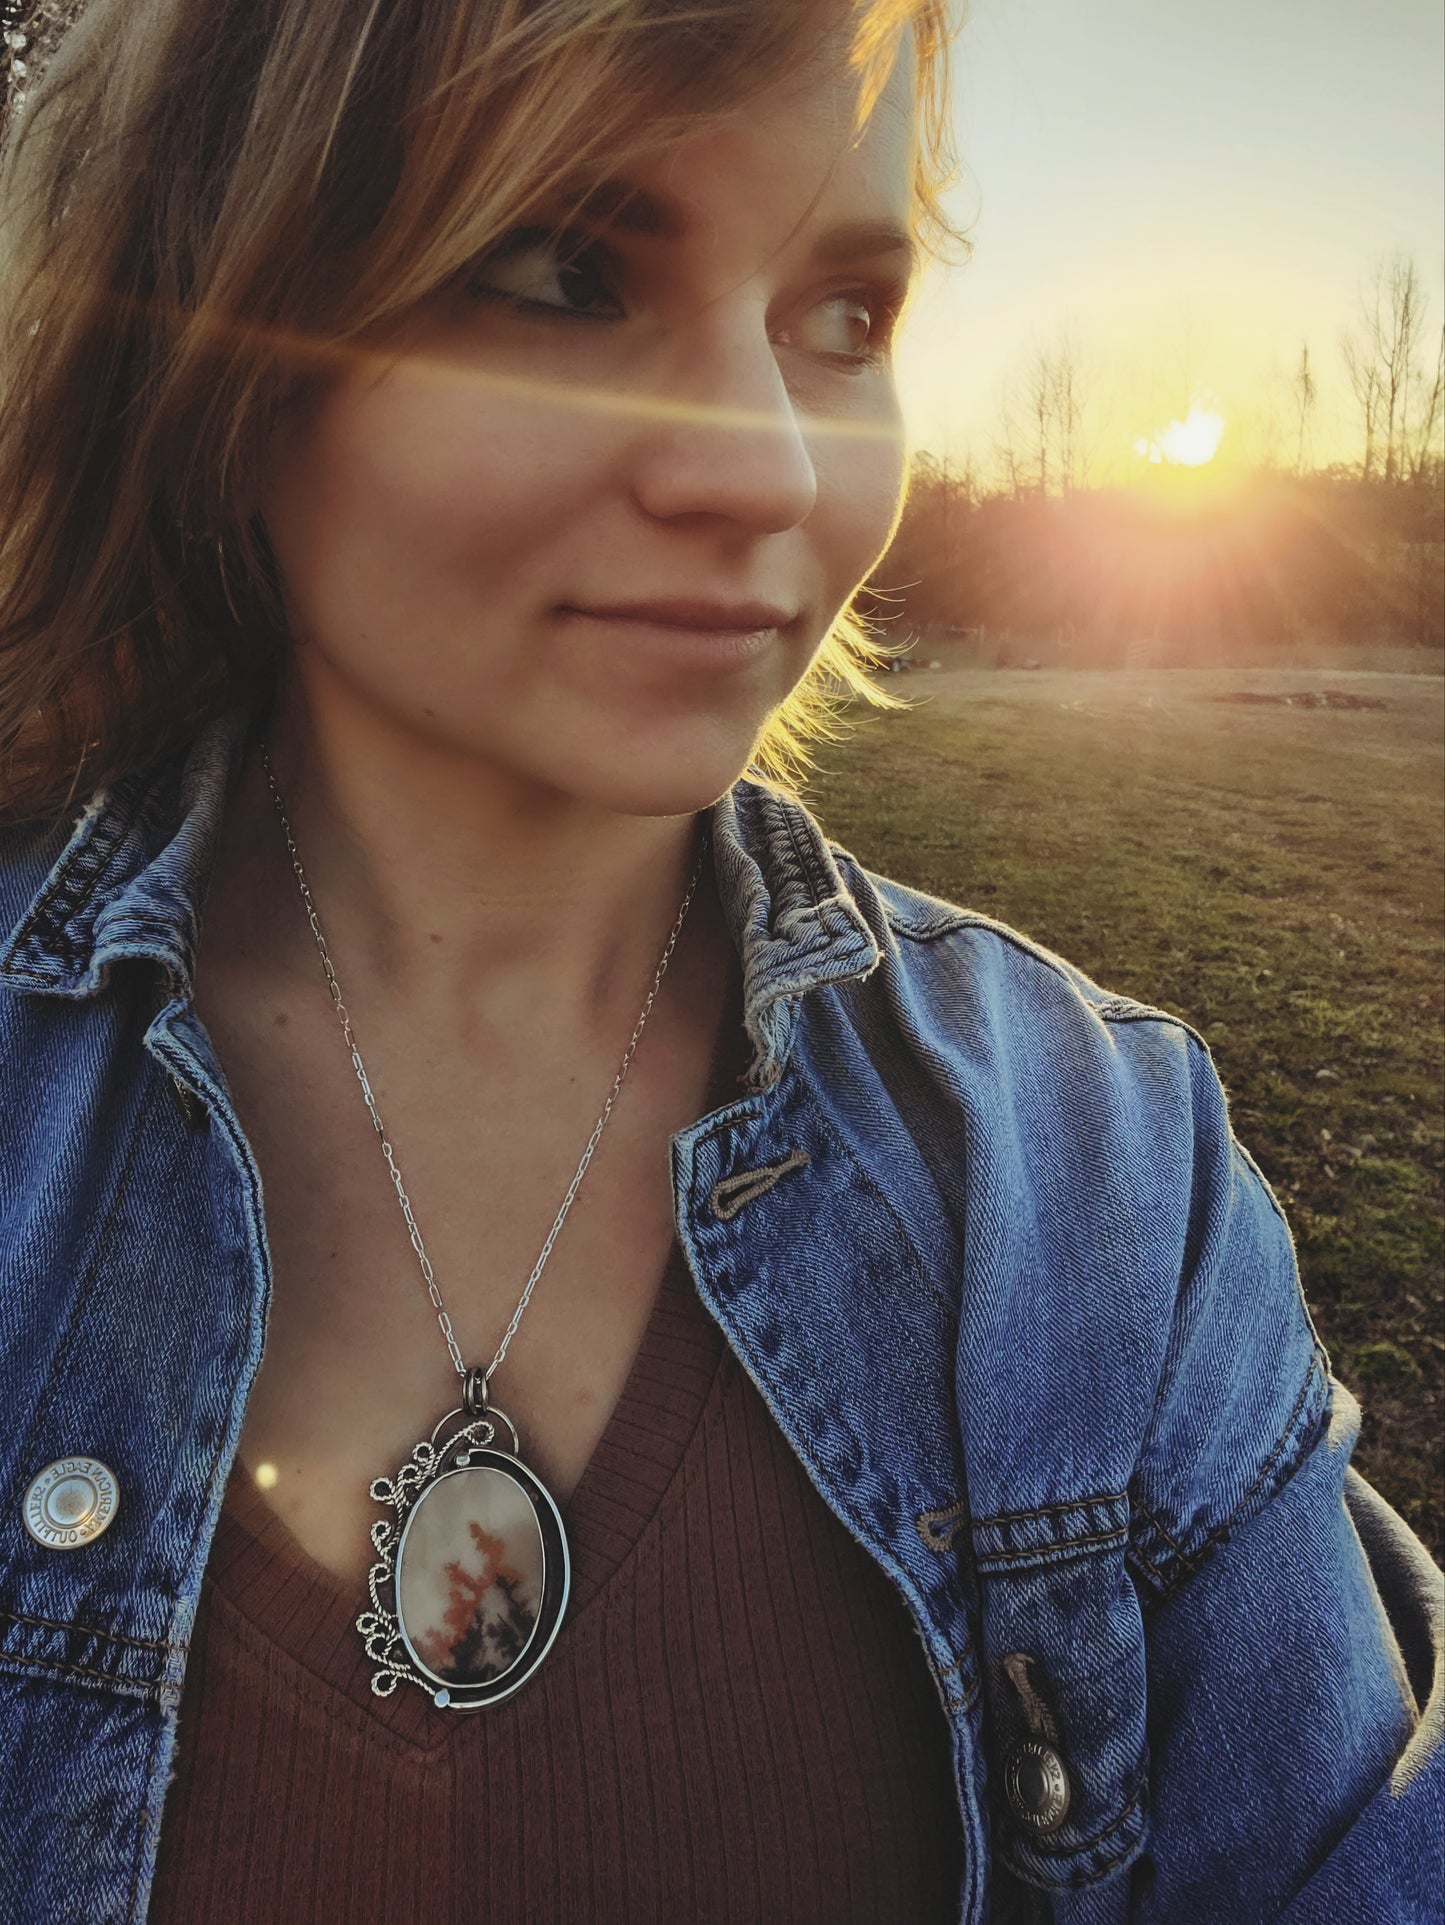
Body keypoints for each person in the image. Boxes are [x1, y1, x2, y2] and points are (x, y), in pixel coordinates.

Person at [0, 1, 1440, 1920]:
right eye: (564, 272)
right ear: (216, 337)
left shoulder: (1096, 1173)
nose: (766, 470)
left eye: (841, 317)